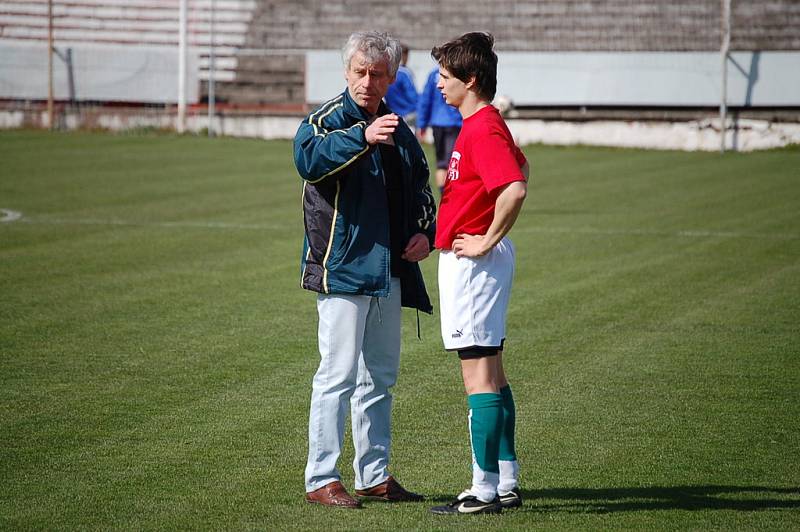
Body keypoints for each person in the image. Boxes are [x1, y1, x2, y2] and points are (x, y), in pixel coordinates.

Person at [293, 31, 437, 509]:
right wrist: (361, 136)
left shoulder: (397, 129)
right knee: (336, 376)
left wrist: (425, 233)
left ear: (392, 77)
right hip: (344, 269)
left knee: (381, 376)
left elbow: (420, 186)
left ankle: (373, 474)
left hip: (390, 269)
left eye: (378, 74)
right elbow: (307, 160)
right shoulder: (326, 121)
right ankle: (321, 477)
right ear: (346, 71)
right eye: (360, 72)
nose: (368, 82)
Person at [427, 32, 529, 516]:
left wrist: (486, 238)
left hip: (474, 264)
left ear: (471, 80)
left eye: (445, 77)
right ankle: (505, 480)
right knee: (495, 373)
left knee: (479, 380)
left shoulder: (483, 127)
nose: (438, 85)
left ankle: (482, 490)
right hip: (479, 261)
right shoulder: (482, 124)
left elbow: (514, 187)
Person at [417, 66, 463, 194]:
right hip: (454, 123)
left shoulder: (433, 74)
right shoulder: (457, 72)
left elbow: (425, 100)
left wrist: (422, 124)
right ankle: (449, 195)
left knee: (441, 162)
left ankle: (445, 195)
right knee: (453, 161)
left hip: (437, 122)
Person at [384, 43, 419, 126]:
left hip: (391, 113)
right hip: (407, 114)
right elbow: (413, 96)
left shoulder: (386, 72)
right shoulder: (404, 73)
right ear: (403, 56)